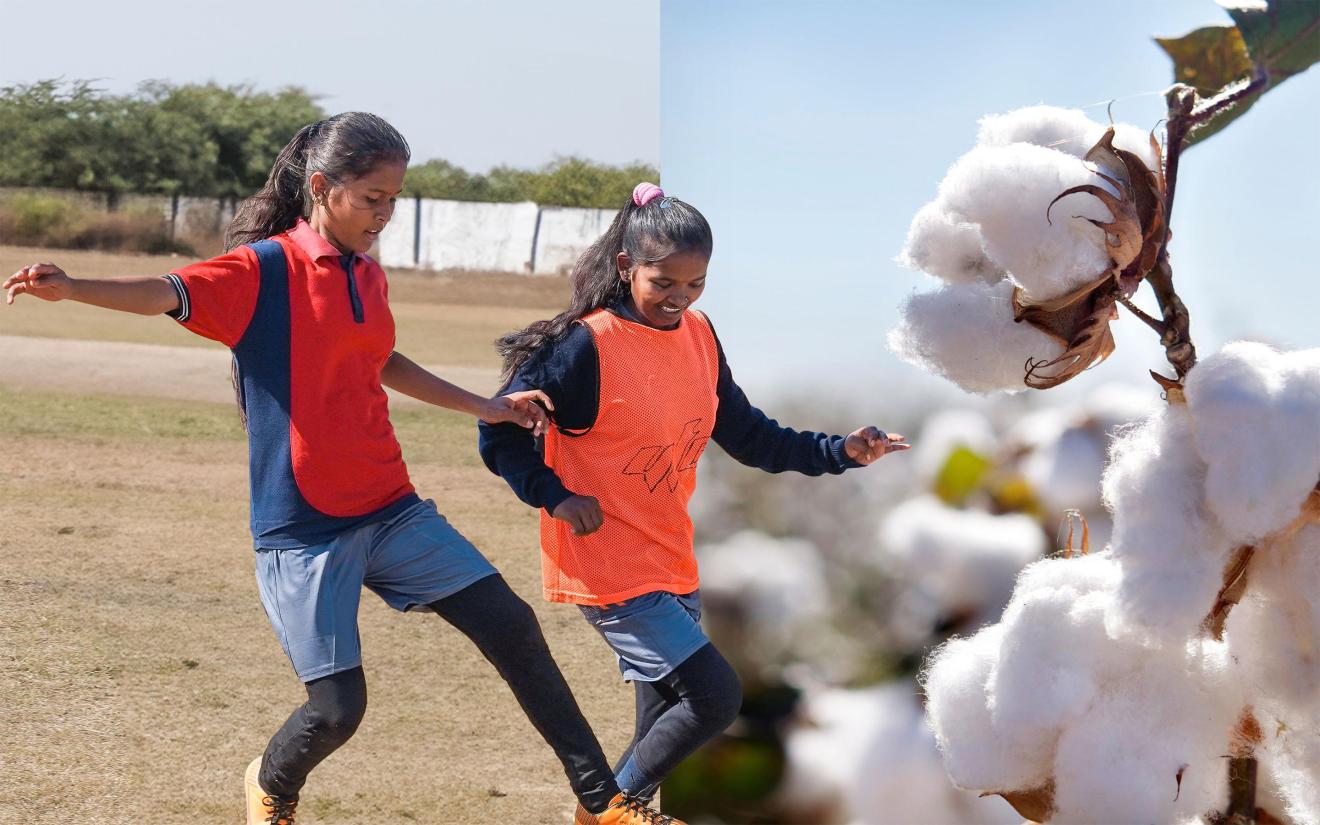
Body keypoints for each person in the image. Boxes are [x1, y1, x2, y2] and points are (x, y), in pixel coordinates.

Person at [5, 115, 674, 825]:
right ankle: (270, 782)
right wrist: (73, 285)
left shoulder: (366, 274)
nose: (384, 215)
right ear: (322, 187)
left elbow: (379, 361)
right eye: (372, 199)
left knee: (512, 627)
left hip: (391, 507)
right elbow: (164, 290)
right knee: (336, 710)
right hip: (304, 526)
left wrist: (487, 403)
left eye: (393, 200)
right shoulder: (261, 270)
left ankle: (604, 805)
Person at [479, 182, 910, 815]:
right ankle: (604, 811)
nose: (679, 298)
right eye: (663, 283)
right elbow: (498, 431)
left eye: (696, 284)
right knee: (713, 698)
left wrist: (839, 451)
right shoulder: (583, 345)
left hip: (671, 558)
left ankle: (614, 810)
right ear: (627, 267)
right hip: (609, 562)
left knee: (661, 737)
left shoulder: (700, 336)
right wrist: (556, 496)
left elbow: (749, 435)